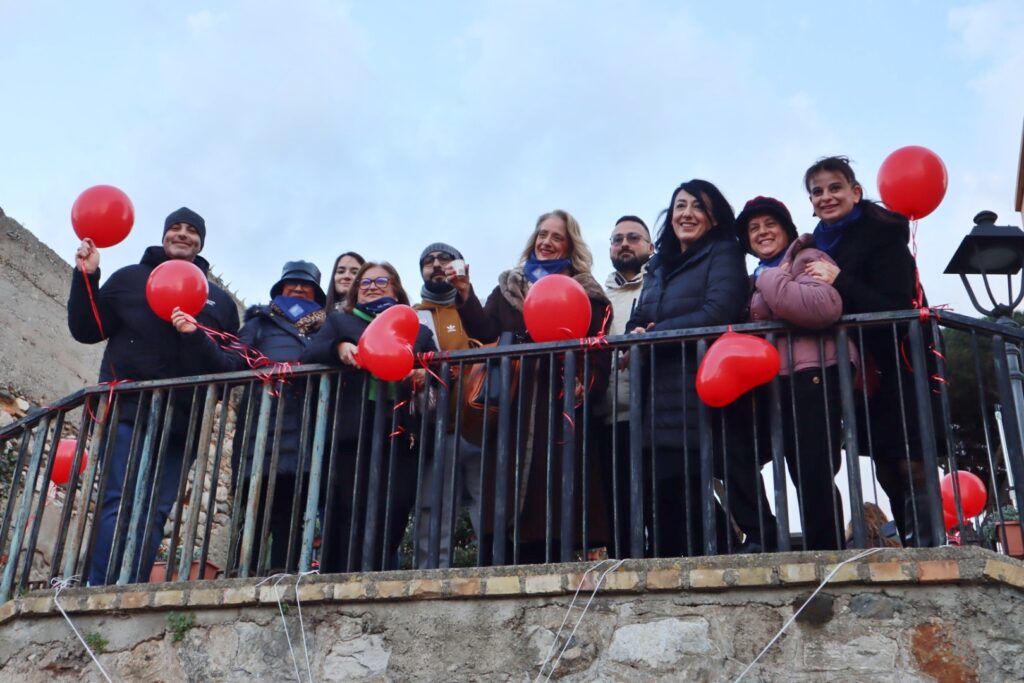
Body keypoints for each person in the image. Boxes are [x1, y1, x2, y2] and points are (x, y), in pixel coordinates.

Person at [68, 207, 240, 585]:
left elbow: (230, 371)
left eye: (191, 230)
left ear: (201, 242)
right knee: (119, 502)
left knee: (156, 510)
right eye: (175, 228)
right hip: (129, 410)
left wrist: (193, 334)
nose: (182, 234)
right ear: (163, 235)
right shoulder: (130, 279)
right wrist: (87, 275)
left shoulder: (219, 302)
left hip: (183, 424)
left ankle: (131, 585)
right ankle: (98, 588)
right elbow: (86, 328)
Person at [454, 210, 611, 564]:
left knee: (552, 501)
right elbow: (485, 331)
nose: (547, 242)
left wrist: (585, 382)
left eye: (557, 237)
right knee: (503, 499)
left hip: (559, 408)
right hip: (513, 403)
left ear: (570, 246)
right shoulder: (509, 287)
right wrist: (465, 295)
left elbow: (598, 350)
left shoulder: (587, 293)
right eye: (542, 234)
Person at [802, 156, 937, 547]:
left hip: (901, 362)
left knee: (910, 460)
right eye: (817, 191)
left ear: (855, 192)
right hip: (863, 372)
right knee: (884, 465)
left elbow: (895, 303)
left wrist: (839, 279)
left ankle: (929, 547)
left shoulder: (884, 233)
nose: (827, 197)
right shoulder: (817, 245)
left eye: (835, 187)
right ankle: (912, 542)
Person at [627, 180, 748, 557]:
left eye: (698, 206)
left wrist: (657, 333)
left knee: (689, 482)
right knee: (661, 486)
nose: (687, 214)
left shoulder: (724, 251)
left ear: (713, 218)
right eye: (680, 206)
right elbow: (642, 315)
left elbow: (719, 310)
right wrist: (637, 332)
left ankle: (722, 554)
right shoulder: (659, 264)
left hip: (701, 381)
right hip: (656, 388)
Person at [731, 195, 852, 551]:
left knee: (811, 471)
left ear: (786, 229)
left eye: (770, 224)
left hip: (810, 374)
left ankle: (826, 555)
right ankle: (762, 535)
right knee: (734, 450)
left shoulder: (807, 258)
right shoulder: (750, 277)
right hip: (765, 382)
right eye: (753, 228)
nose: (762, 232)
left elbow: (823, 306)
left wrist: (769, 279)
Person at [301, 261, 436, 571]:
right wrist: (338, 347)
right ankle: (338, 577)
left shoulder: (418, 329)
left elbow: (438, 371)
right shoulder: (340, 322)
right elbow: (307, 355)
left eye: (381, 281)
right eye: (365, 282)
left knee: (396, 507)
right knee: (347, 508)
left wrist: (422, 374)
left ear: (397, 287)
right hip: (353, 428)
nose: (372, 286)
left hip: (401, 430)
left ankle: (375, 571)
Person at [225, 260, 327, 573]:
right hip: (262, 428)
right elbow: (234, 360)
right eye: (291, 283)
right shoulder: (259, 322)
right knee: (253, 514)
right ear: (281, 288)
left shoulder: (326, 328)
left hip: (306, 431)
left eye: (304, 284)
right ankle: (241, 580)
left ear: (315, 293)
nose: (297, 288)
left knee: (292, 515)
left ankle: (284, 581)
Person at [412, 242, 483, 568]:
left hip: (479, 426)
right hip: (433, 429)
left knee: (487, 506)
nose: (437, 264)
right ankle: (428, 579)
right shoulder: (412, 314)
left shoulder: (472, 310)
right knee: (433, 507)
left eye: (445, 259)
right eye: (429, 261)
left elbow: (492, 338)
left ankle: (493, 574)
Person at [600, 216, 654, 558]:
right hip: (607, 413)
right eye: (617, 238)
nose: (624, 243)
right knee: (616, 505)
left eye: (633, 237)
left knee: (661, 498)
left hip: (652, 410)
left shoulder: (660, 285)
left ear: (650, 247)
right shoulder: (598, 295)